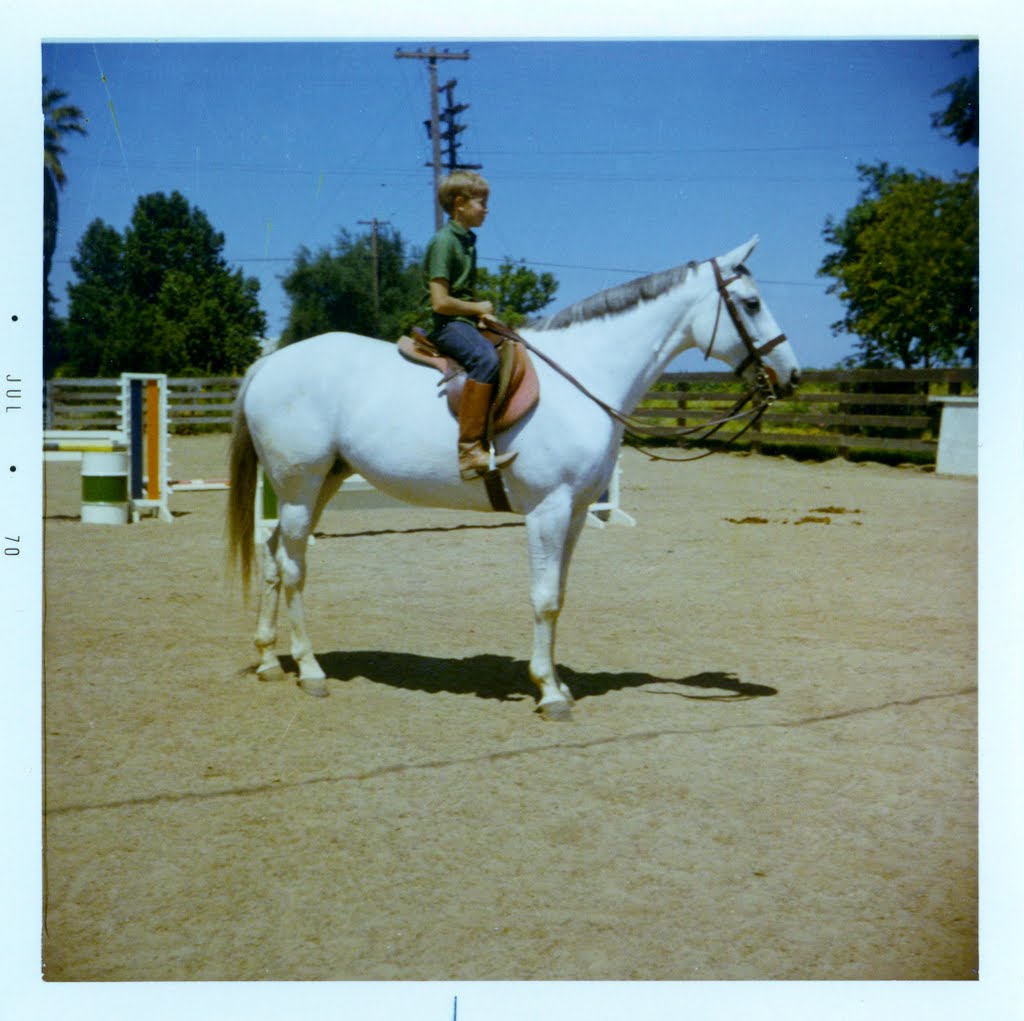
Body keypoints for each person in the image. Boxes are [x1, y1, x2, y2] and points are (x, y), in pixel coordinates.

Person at [422, 170, 518, 481]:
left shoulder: (468, 243)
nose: (486, 210)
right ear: (460, 204)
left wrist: (481, 316)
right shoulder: (444, 242)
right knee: (485, 359)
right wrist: (477, 307)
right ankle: (469, 450)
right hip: (447, 326)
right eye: (482, 203)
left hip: (465, 322)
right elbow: (440, 302)